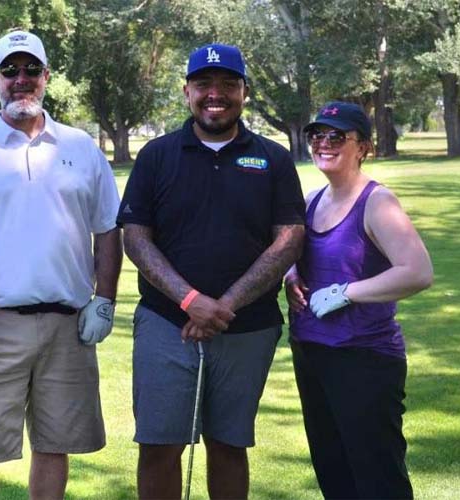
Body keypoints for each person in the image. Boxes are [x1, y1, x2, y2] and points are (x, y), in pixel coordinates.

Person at [0, 29, 122, 499]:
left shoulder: (81, 148)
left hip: (68, 325)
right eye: (10, 70)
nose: (21, 80)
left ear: (46, 77)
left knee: (55, 447)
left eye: (31, 69)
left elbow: (108, 231)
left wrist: (106, 301)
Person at [118, 43, 306, 499]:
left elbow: (289, 239)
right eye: (204, 84)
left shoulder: (273, 159)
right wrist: (190, 300)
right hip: (167, 322)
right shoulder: (157, 155)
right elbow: (136, 238)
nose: (215, 94)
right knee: (160, 446)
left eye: (227, 84)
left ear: (244, 91)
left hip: (247, 326)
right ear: (187, 92)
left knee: (228, 444)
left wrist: (225, 304)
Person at [285, 101, 433, 499]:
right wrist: (290, 272)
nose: (324, 143)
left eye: (337, 136)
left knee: (377, 476)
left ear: (363, 147)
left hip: (364, 358)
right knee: (333, 471)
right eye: (317, 135)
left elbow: (417, 271)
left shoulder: (377, 202)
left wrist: (347, 293)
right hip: (312, 353)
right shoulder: (313, 200)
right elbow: (297, 257)